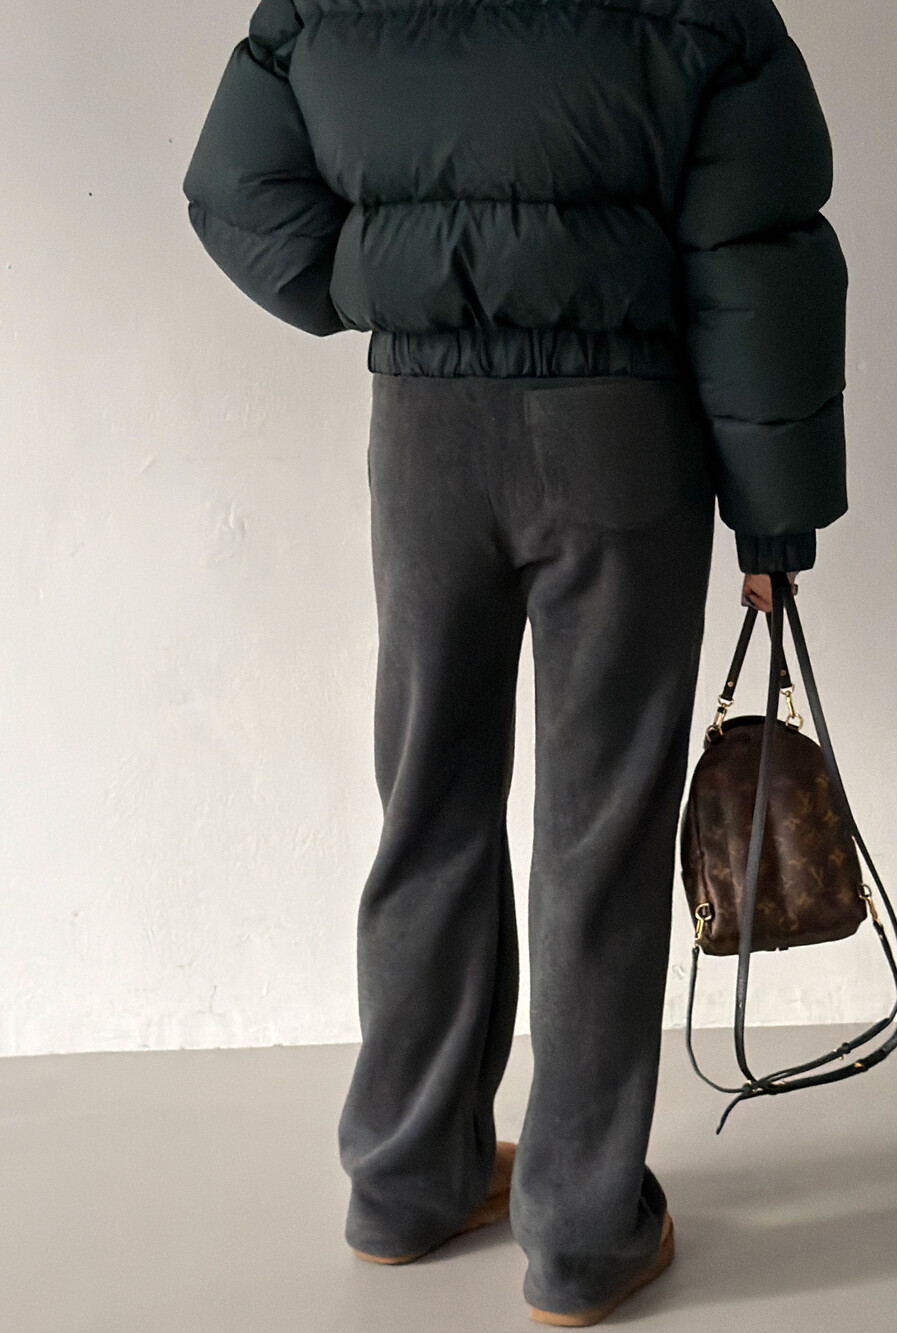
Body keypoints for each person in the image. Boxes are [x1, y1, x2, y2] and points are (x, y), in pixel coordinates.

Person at [182, 0, 848, 1322]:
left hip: (424, 432)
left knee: (427, 799)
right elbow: (753, 254)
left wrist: (384, 279)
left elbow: (232, 186)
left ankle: (406, 1179)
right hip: (620, 432)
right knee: (597, 833)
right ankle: (583, 1236)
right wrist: (773, 518)